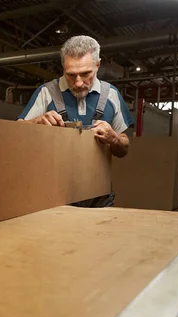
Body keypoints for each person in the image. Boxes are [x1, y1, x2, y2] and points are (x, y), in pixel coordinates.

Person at [17, 35, 134, 207]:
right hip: (53, 198)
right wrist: (36, 122)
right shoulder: (46, 93)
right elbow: (16, 132)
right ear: (63, 67)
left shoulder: (111, 94)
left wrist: (114, 138)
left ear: (98, 65)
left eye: (86, 74)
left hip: (99, 198)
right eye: (71, 75)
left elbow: (124, 148)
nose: (78, 83)